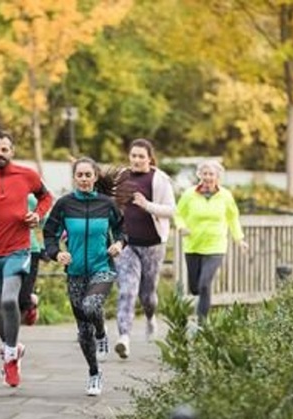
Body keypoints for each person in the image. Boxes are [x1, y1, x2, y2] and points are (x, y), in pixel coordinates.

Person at [0, 130, 53, 388]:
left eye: (5, 149)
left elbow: (46, 197)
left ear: (12, 151)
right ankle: (10, 351)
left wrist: (37, 215)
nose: (0, 154)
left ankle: (11, 354)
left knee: (8, 300)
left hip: (19, 248)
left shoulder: (27, 175)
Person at [43, 157, 125, 396]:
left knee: (91, 307)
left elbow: (122, 229)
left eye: (88, 175)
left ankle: (102, 332)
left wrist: (119, 243)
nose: (84, 179)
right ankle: (94, 373)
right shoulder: (64, 205)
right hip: (76, 272)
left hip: (103, 267)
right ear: (74, 178)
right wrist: (57, 253)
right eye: (80, 175)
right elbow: (49, 233)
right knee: (82, 330)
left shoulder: (107, 204)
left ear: (95, 177)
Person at [114, 138, 176, 359]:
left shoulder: (159, 179)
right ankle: (124, 337)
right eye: (134, 156)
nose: (137, 160)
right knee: (127, 290)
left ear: (150, 158)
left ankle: (150, 317)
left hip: (152, 245)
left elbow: (171, 210)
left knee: (147, 294)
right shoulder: (121, 176)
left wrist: (147, 205)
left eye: (142, 156)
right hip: (127, 245)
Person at [174, 159, 248, 329]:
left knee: (205, 284)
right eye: (204, 173)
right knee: (194, 288)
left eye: (211, 174)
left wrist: (239, 239)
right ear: (199, 175)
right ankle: (201, 303)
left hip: (216, 246)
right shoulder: (189, 194)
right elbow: (178, 214)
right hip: (193, 245)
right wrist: (181, 227)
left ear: (217, 176)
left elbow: (232, 218)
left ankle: (202, 323)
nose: (207, 177)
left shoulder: (225, 196)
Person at [18, 194, 42, 325]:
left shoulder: (30, 199)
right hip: (5, 250)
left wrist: (44, 247)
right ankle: (11, 339)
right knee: (7, 296)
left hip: (30, 249)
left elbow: (45, 220)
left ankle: (29, 303)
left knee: (22, 296)